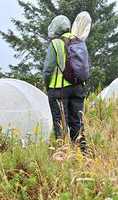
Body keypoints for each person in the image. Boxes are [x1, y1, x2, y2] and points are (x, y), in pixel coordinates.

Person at [43, 15, 87, 153]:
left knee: (60, 122)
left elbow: (48, 69)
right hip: (78, 88)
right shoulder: (78, 40)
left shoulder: (55, 43)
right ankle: (82, 153)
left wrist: (47, 85)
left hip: (59, 90)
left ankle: (63, 154)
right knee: (77, 122)